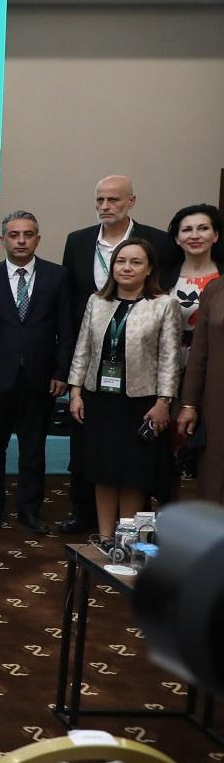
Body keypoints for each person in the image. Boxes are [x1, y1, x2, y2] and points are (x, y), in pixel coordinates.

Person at [57, 175, 177, 535]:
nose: (126, 267)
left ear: (149, 267)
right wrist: (75, 392)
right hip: (99, 399)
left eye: (135, 262)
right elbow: (83, 349)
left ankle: (127, 540)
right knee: (101, 470)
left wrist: (164, 401)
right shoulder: (98, 301)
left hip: (140, 401)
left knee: (133, 473)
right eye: (120, 261)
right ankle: (105, 537)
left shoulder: (163, 305)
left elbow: (169, 358)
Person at [0, 210, 72, 533]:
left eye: (28, 235)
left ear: (37, 239)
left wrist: (61, 372)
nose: (21, 241)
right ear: (2, 240)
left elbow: (66, 330)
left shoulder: (58, 276)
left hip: (41, 378)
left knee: (33, 449)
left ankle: (30, 510)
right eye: (14, 235)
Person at [164, 204, 221, 492]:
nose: (195, 235)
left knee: (211, 449)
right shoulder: (162, 277)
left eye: (203, 228)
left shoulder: (221, 280)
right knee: (171, 446)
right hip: (170, 371)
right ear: (177, 238)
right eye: (187, 230)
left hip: (213, 375)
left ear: (216, 235)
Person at [178, 277, 224, 503]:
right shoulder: (216, 289)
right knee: (216, 477)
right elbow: (199, 353)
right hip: (218, 401)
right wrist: (189, 404)